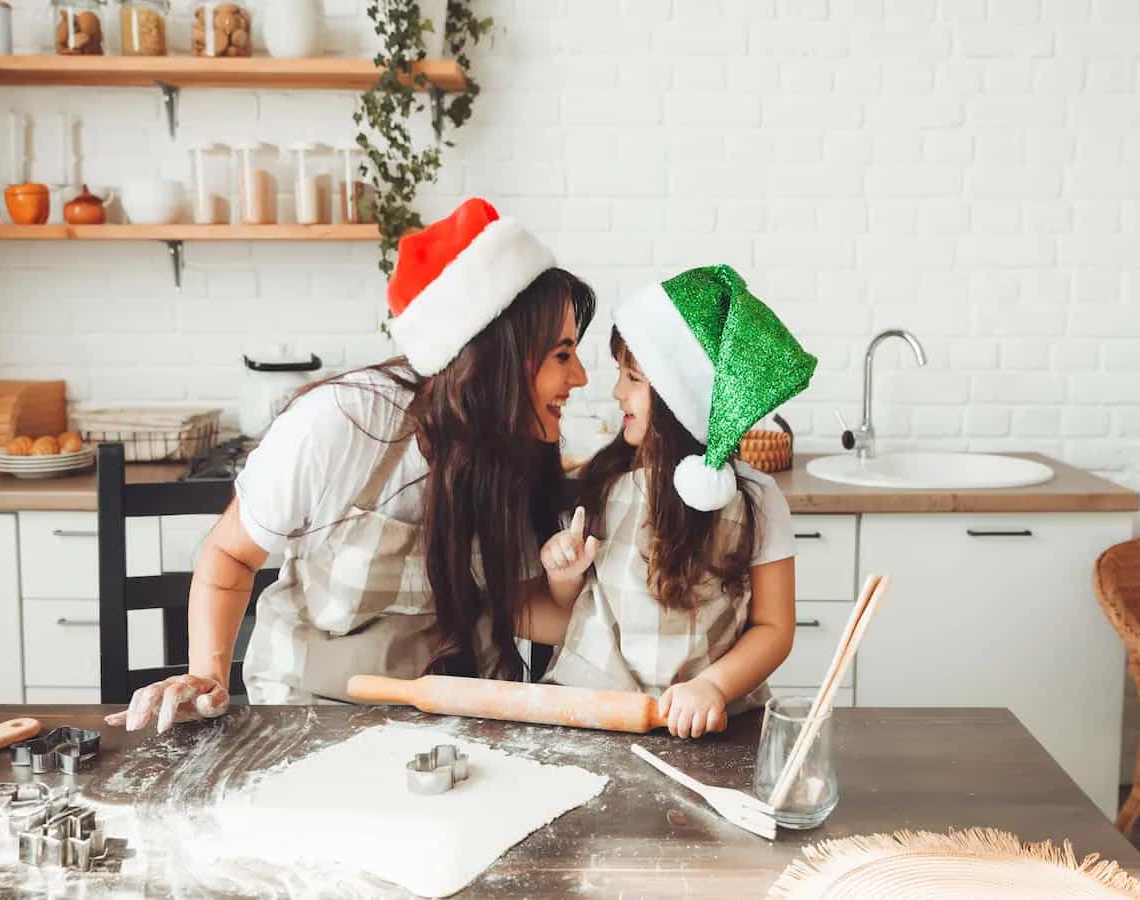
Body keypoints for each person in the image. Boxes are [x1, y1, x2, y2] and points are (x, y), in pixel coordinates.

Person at [107, 198, 596, 733]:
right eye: (562, 354)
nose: (581, 379)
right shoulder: (339, 425)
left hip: (463, 722)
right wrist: (206, 675)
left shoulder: (514, 449)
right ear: (496, 359)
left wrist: (576, 591)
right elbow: (229, 555)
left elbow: (514, 609)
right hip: (313, 718)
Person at [538, 264, 818, 739]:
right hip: (596, 715)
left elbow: (775, 627)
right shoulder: (603, 482)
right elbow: (576, 608)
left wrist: (712, 686)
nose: (616, 392)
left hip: (711, 729)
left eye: (633, 377)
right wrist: (559, 575)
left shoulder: (756, 500)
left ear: (677, 396)